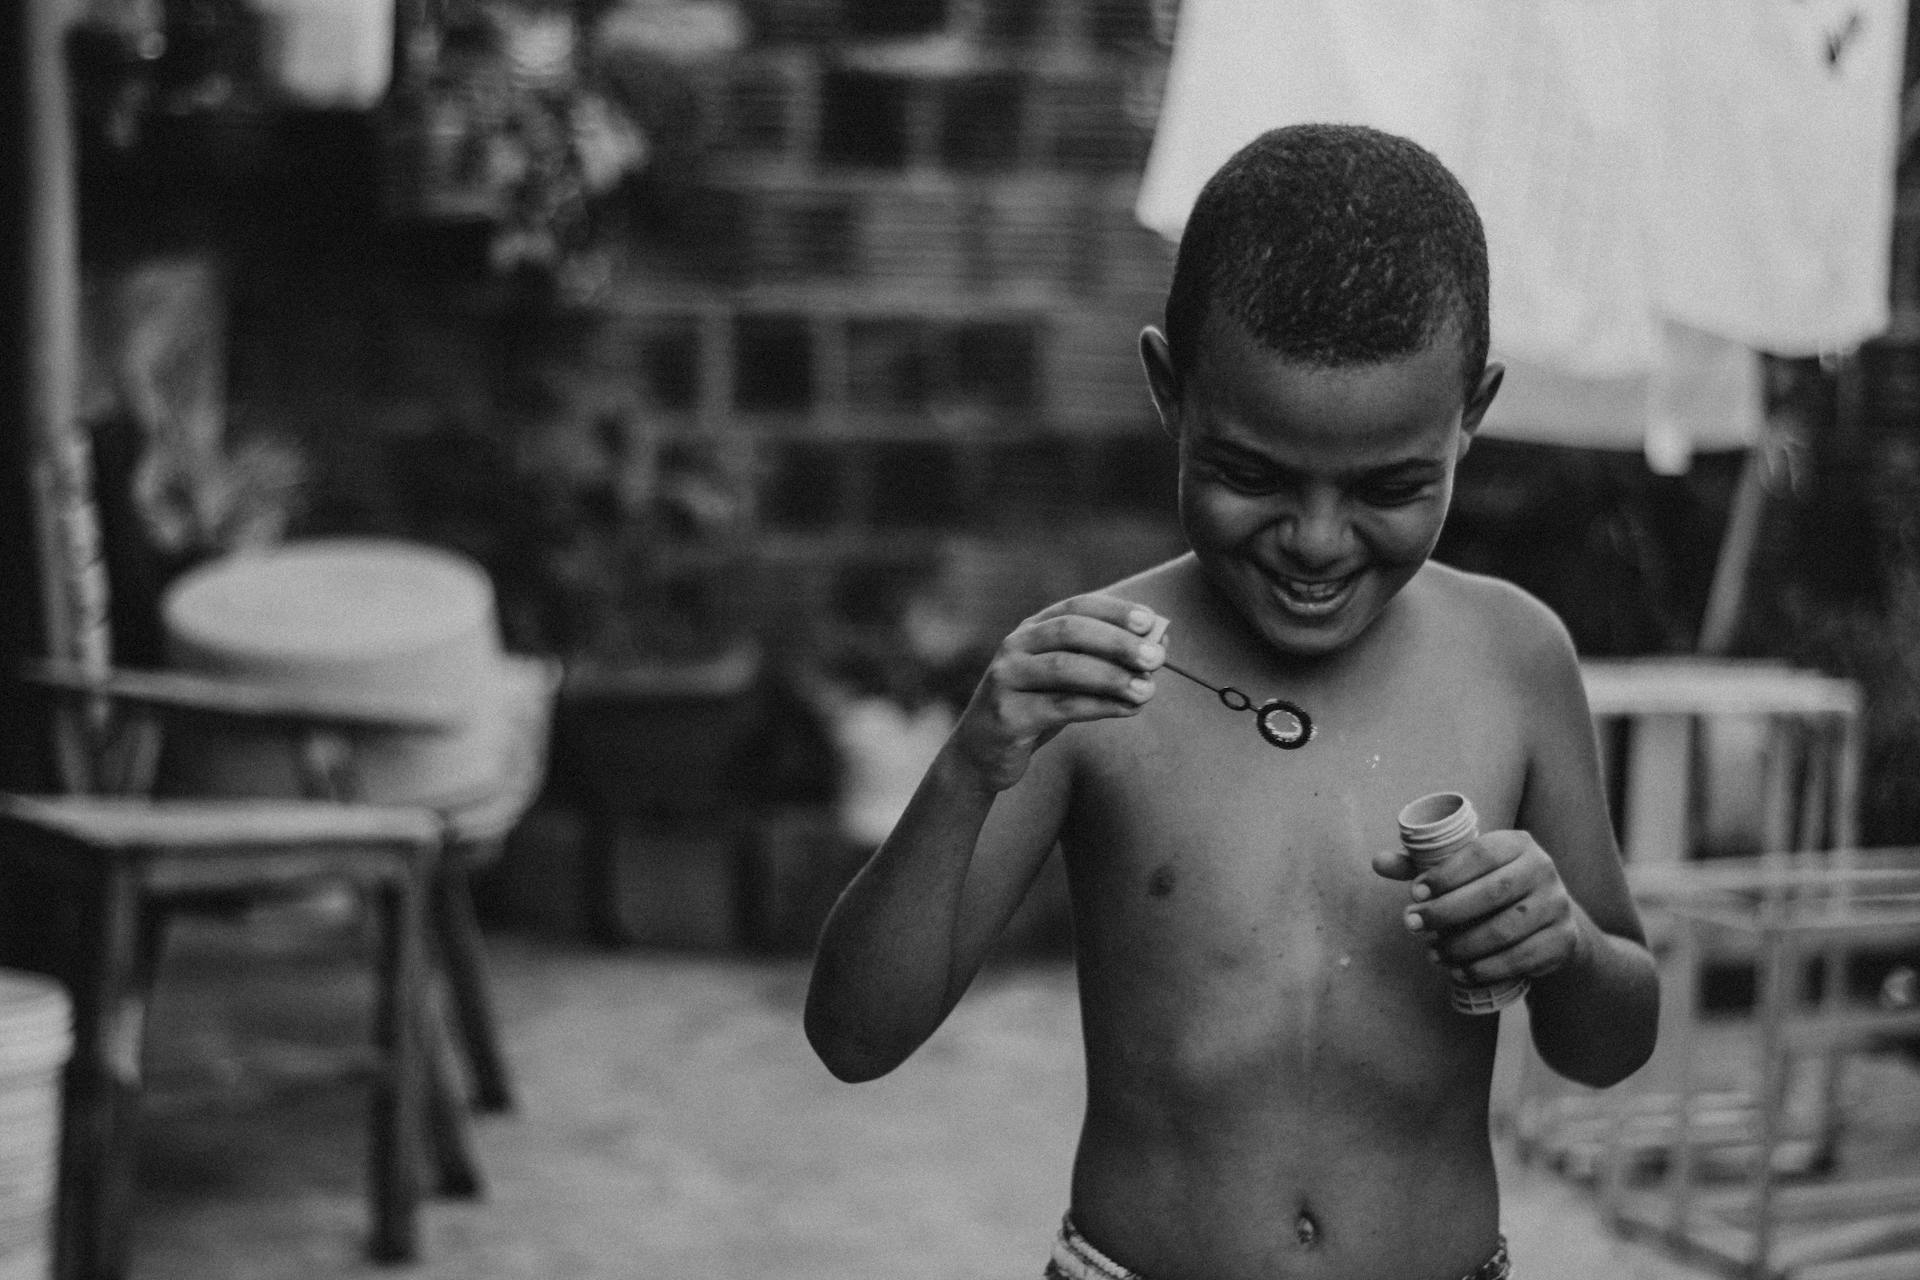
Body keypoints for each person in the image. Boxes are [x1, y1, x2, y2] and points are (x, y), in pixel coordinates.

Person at [804, 123, 1659, 1280]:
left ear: (1472, 414)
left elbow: (1611, 1042)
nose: (1314, 540)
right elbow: (855, 1036)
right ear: (1170, 393)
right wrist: (968, 769)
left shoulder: (1514, 660)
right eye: (1251, 473)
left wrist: (1562, 944)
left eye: (1391, 486)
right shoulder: (1094, 681)